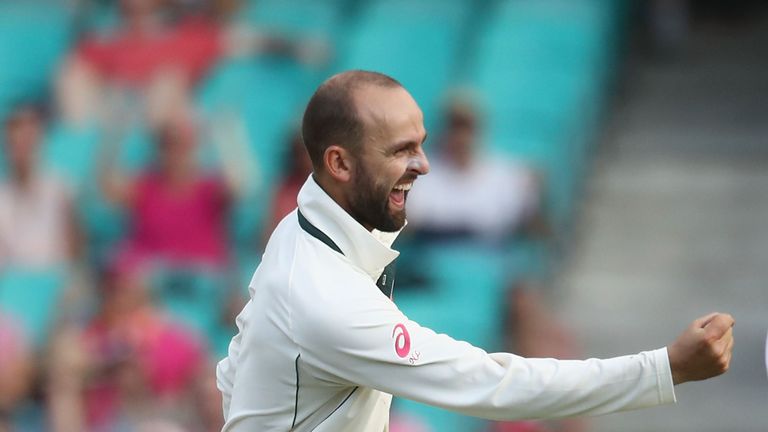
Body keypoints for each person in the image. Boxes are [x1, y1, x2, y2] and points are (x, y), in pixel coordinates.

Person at [216, 70, 734, 431]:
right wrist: (666, 368)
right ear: (340, 164)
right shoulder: (327, 298)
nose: (424, 165)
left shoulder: (301, 225)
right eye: (401, 150)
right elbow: (493, 385)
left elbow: (236, 363)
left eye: (421, 143)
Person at [406, 97, 546, 244]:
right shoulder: (419, 176)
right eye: (454, 127)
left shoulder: (508, 176)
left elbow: (533, 229)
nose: (461, 137)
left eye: (467, 128)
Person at [0, 104, 80, 269]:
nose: (21, 151)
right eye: (15, 145)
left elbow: (74, 251)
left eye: (27, 142)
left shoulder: (61, 188)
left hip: (54, 276)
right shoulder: (3, 196)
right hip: (14, 278)